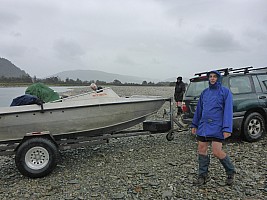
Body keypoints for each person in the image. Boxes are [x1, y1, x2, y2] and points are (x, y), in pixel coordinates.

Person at [191, 70, 235, 186]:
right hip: (204, 126)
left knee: (217, 152)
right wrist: (194, 124)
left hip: (217, 127)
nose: (212, 78)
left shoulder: (225, 92)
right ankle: (203, 176)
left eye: (215, 76)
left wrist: (227, 128)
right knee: (201, 149)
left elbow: (228, 112)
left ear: (218, 78)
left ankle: (230, 172)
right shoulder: (205, 93)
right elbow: (199, 110)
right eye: (210, 76)